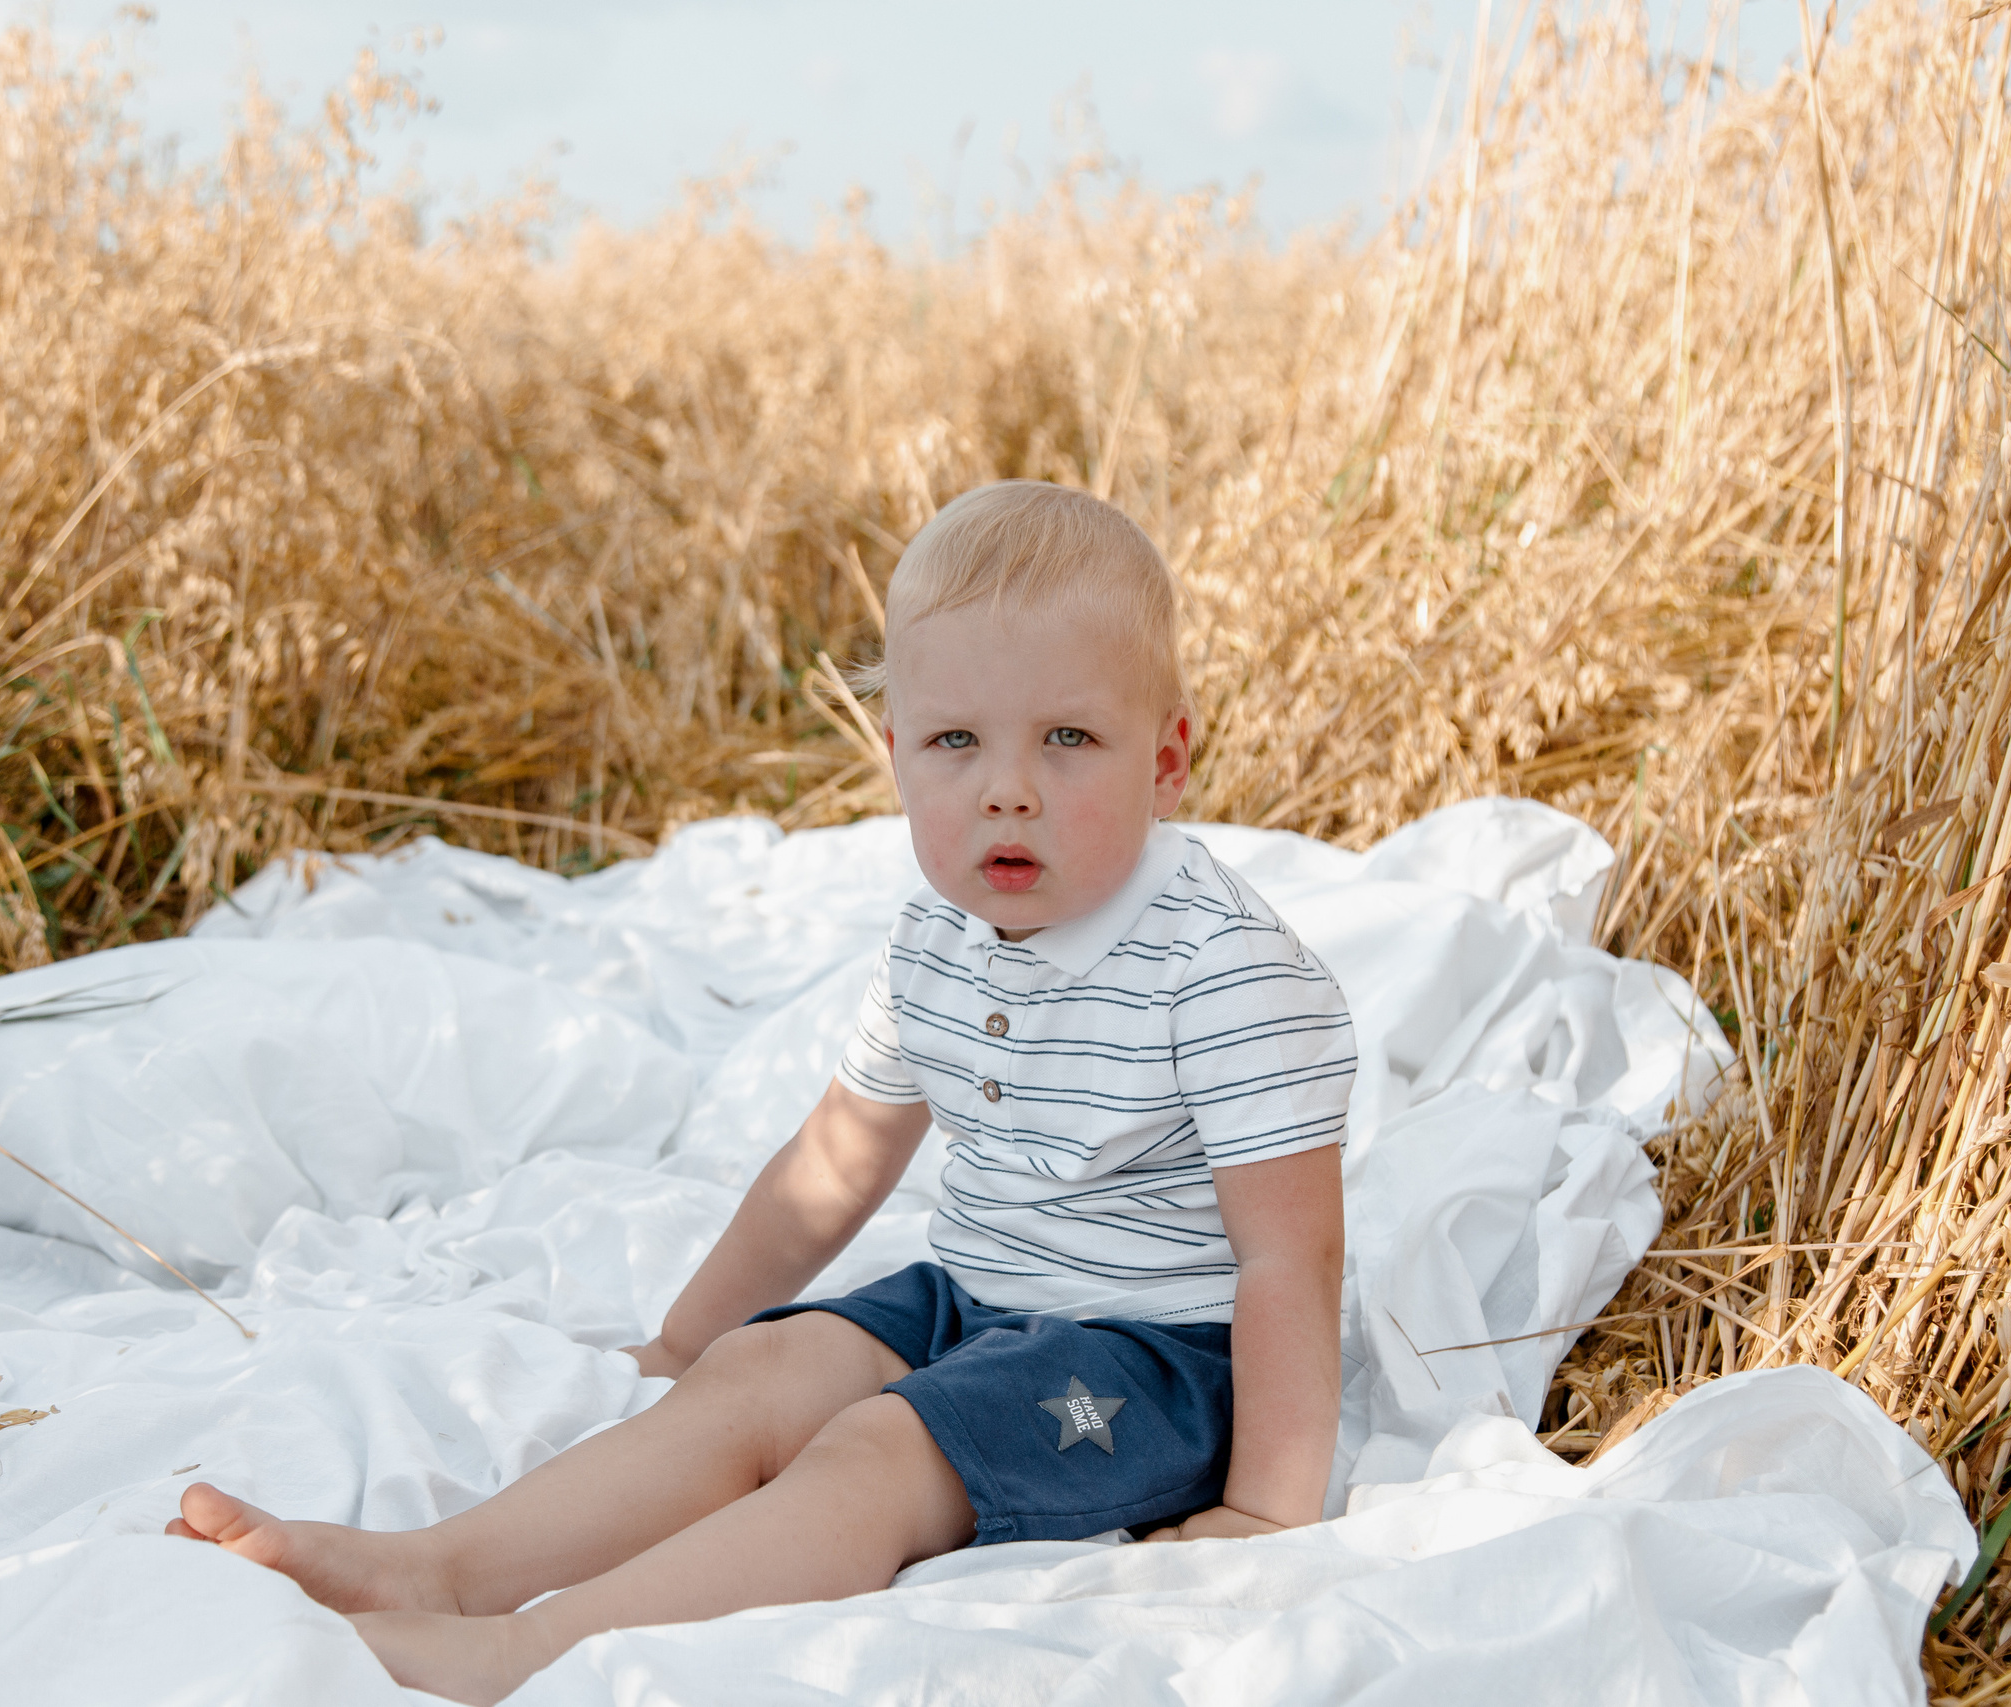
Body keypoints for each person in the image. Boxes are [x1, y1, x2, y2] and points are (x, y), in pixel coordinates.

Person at [166, 480, 1358, 1705]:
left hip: (1152, 1360)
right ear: (894, 755)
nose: (1007, 788)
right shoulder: (936, 941)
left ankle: (531, 1651)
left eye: (1068, 739)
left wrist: (1268, 1509)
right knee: (755, 1377)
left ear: (1166, 757)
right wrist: (689, 1340)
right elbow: (836, 1160)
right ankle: (435, 1571)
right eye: (956, 741)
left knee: (873, 1451)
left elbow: (1288, 1260)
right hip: (969, 1302)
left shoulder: (1221, 971)